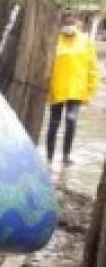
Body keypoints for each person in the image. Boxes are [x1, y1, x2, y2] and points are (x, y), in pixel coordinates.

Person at [47, 12, 100, 168]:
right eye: (66, 23)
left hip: (76, 89)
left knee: (71, 120)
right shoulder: (55, 41)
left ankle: (66, 156)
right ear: (62, 24)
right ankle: (49, 157)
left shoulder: (85, 42)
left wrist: (91, 89)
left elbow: (93, 67)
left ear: (76, 23)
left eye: (71, 23)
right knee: (53, 123)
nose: (69, 26)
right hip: (57, 87)